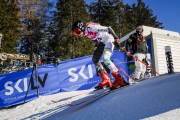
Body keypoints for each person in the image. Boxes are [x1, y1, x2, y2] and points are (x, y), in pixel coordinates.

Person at [71, 20, 127, 90]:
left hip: (109, 39)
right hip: (102, 42)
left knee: (105, 58)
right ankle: (106, 79)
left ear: (81, 27)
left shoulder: (90, 27)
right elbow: (97, 36)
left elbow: (108, 28)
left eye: (77, 32)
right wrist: (97, 44)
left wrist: (116, 39)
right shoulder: (86, 33)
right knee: (95, 59)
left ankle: (119, 79)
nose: (78, 35)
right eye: (75, 34)